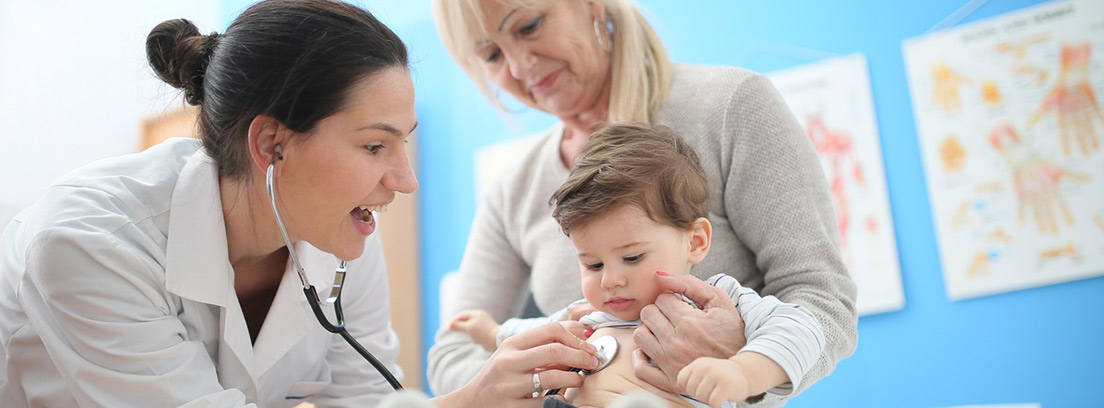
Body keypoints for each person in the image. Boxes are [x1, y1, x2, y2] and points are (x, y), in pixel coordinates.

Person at [0, 1, 600, 407]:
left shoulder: (338, 241)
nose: (406, 180)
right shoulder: (90, 241)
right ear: (271, 144)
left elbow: (363, 398)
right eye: (374, 145)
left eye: (404, 144)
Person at [427, 0, 858, 405]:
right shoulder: (513, 190)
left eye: (529, 26)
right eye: (491, 56)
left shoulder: (730, 106)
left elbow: (824, 300)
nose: (519, 67)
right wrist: (543, 389)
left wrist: (744, 367)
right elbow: (453, 348)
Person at [449, 123, 826, 408]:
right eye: (593, 264)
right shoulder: (585, 317)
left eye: (632, 258)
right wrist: (491, 331)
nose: (611, 280)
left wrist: (742, 371)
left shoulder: (717, 302)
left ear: (695, 242)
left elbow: (803, 330)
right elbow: (532, 336)